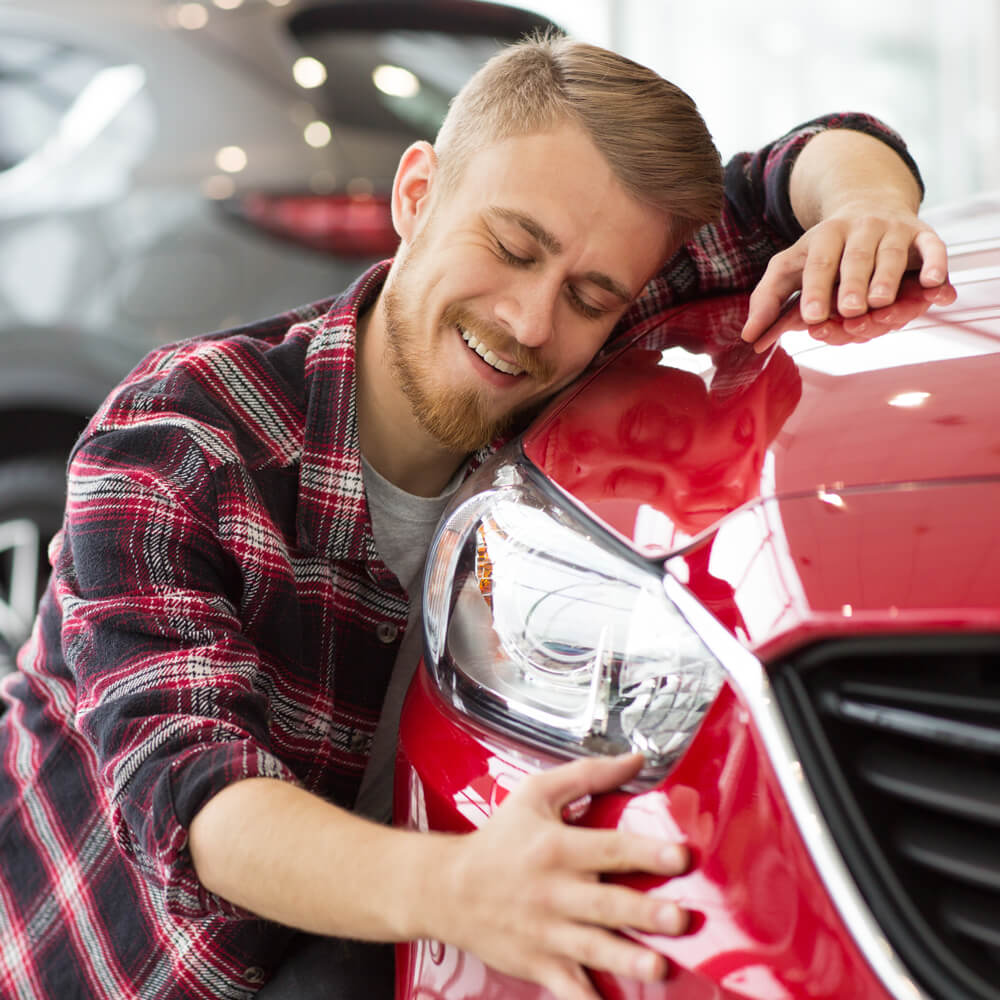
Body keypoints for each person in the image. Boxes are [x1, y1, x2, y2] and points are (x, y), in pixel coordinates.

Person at [0, 32, 950, 1000]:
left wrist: (867, 210)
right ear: (416, 194)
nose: (530, 321)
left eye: (589, 296)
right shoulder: (181, 433)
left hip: (392, 934)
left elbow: (810, 157)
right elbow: (194, 798)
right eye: (509, 247)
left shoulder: (588, 312)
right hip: (150, 966)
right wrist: (467, 889)